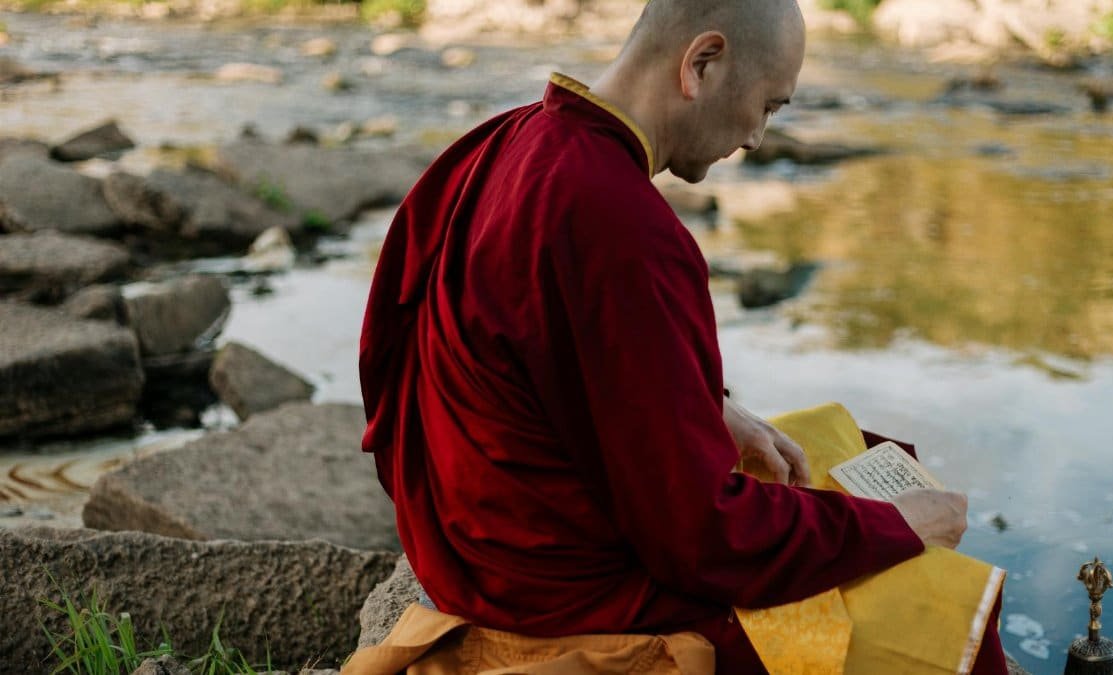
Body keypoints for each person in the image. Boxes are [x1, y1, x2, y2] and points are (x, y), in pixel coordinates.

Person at [359, 0, 1006, 672]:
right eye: (769, 106)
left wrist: (714, 406)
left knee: (829, 446)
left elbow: (414, 341)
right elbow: (702, 539)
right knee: (945, 608)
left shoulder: (507, 139)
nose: (758, 137)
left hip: (475, 532)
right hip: (563, 593)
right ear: (702, 63)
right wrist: (896, 528)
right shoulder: (621, 225)